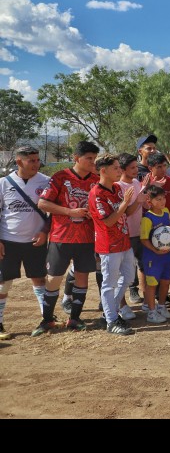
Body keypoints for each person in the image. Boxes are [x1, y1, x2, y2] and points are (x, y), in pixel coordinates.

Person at [36, 140, 100, 335]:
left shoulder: (96, 180)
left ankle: (75, 318)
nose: (92, 162)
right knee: (54, 278)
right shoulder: (60, 177)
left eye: (94, 158)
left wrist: (92, 214)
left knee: (82, 277)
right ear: (76, 158)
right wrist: (70, 211)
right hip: (61, 237)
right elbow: (43, 203)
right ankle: (47, 320)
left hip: (86, 238)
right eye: (89, 158)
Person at [0, 146, 51, 340]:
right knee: (3, 283)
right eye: (31, 161)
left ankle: (47, 319)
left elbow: (53, 212)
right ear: (19, 161)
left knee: (39, 279)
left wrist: (44, 232)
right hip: (8, 241)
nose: (36, 164)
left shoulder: (46, 182)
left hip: (35, 242)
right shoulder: (3, 183)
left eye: (37, 160)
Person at [88, 154, 136, 335]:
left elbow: (126, 213)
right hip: (109, 245)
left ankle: (111, 311)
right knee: (109, 283)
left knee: (129, 277)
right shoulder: (96, 193)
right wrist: (124, 203)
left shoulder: (116, 188)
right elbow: (108, 221)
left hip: (124, 241)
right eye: (115, 168)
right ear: (103, 171)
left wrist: (136, 201)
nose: (119, 171)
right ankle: (111, 320)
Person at [116, 153, 149, 317]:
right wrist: (139, 200)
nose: (136, 170)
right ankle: (121, 305)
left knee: (143, 265)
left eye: (136, 166)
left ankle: (147, 300)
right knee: (123, 271)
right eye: (132, 168)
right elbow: (126, 212)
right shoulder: (117, 186)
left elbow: (142, 205)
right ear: (122, 169)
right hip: (125, 234)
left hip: (139, 231)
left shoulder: (136, 182)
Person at [140, 184, 170, 324]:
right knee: (152, 283)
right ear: (150, 201)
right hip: (153, 257)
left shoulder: (166, 212)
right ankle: (152, 312)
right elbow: (144, 239)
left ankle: (161, 307)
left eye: (163, 198)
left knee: (166, 281)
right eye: (158, 199)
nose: (162, 201)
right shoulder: (147, 218)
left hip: (167, 255)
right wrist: (155, 250)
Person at [146, 152, 170, 217]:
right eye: (159, 167)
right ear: (150, 168)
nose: (163, 169)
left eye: (165, 165)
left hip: (169, 221)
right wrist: (149, 186)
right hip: (150, 221)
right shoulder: (145, 183)